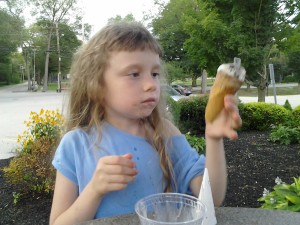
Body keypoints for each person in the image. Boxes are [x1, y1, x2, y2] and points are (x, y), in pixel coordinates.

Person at [49, 22, 242, 225]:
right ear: (96, 84)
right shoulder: (76, 145)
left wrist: (213, 138)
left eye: (155, 74)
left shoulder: (165, 133)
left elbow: (213, 198)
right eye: (134, 74)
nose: (151, 84)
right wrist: (94, 190)